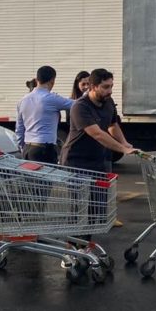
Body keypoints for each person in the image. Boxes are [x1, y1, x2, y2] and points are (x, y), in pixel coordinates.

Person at [61, 69, 138, 228]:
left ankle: (87, 240)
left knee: (97, 204)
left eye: (111, 86)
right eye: (105, 87)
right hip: (76, 161)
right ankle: (74, 242)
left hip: (97, 159)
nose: (109, 91)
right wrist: (123, 150)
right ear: (93, 86)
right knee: (78, 205)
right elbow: (97, 134)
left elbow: (112, 125)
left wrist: (124, 143)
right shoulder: (80, 107)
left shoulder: (108, 102)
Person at [15, 66, 74, 164]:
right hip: (44, 150)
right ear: (52, 80)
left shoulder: (23, 100)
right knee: (47, 179)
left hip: (28, 148)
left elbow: (19, 129)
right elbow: (76, 104)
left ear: (37, 79)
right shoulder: (51, 98)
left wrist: (23, 148)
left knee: (29, 179)